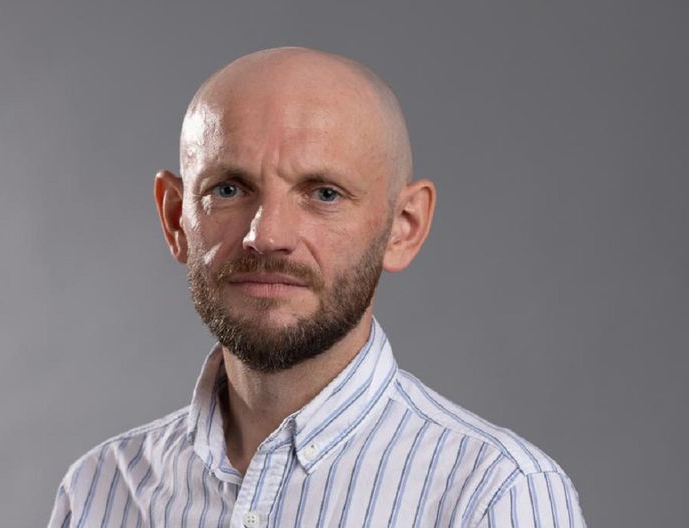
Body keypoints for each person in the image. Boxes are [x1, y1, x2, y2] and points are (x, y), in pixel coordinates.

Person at [48, 47, 586, 528]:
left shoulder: (496, 496)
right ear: (175, 219)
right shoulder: (98, 492)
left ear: (403, 228)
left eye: (324, 193)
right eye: (229, 189)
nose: (266, 236)